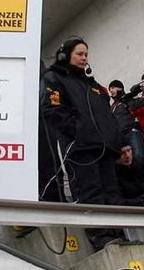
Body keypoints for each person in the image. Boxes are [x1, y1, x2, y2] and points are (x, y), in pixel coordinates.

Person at [41, 37, 124, 250]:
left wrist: (120, 143)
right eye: (79, 53)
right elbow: (52, 110)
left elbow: (108, 117)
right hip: (81, 149)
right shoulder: (54, 77)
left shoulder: (94, 86)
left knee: (112, 194)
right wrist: (78, 131)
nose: (84, 58)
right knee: (91, 193)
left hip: (105, 149)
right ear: (65, 55)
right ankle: (102, 238)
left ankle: (119, 235)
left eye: (86, 54)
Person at [109, 79, 144, 161]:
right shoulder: (112, 107)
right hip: (120, 138)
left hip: (132, 132)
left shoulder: (128, 99)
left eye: (113, 87)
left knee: (139, 157)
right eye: (110, 89)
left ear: (120, 88)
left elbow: (137, 108)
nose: (111, 90)